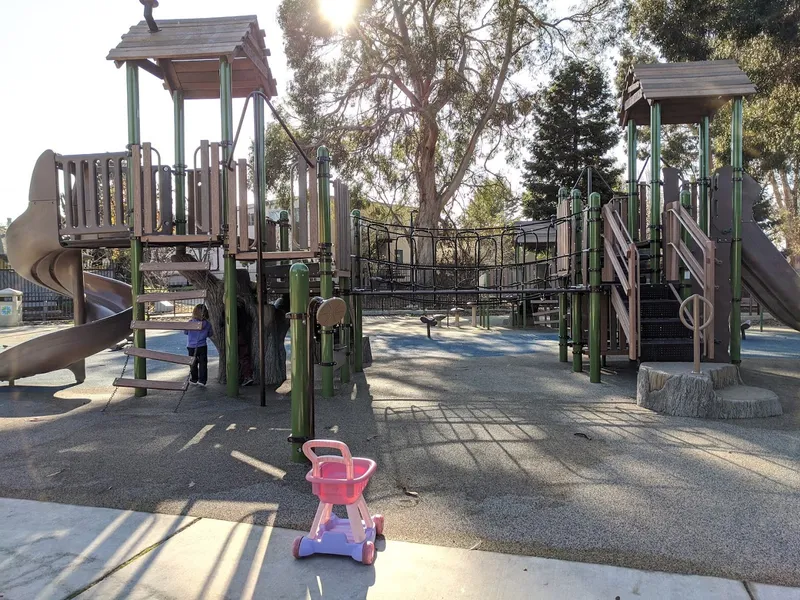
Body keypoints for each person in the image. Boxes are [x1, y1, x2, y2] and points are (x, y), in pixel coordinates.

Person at [185, 304, 212, 386]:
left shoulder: (190, 323)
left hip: (191, 346)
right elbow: (210, 334)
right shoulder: (207, 324)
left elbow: (186, 332)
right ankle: (202, 380)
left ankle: (194, 379)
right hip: (202, 345)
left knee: (193, 363)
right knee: (203, 363)